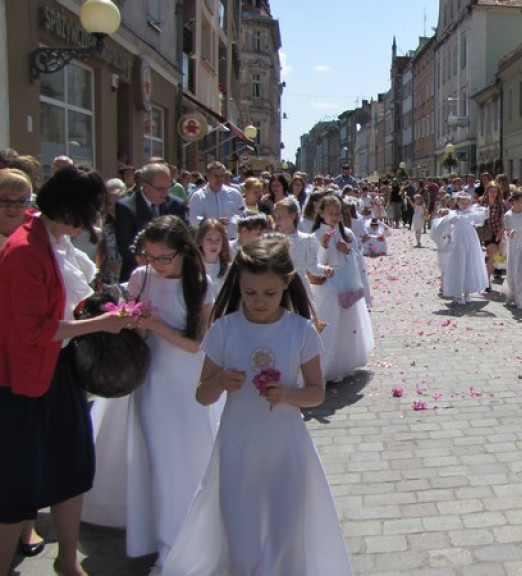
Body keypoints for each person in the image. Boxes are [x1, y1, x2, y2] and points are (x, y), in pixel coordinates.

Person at [161, 235, 352, 575]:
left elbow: (316, 392)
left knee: (285, 531)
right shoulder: (224, 330)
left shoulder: (301, 331)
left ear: (286, 284)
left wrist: (288, 394)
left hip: (285, 447)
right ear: (238, 285)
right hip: (238, 447)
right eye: (250, 293)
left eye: (269, 293)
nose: (259, 301)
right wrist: (219, 383)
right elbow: (202, 394)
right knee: (240, 531)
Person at [0, 166, 128, 576]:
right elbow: (35, 331)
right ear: (71, 210)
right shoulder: (24, 251)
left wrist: (111, 311)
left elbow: (73, 303)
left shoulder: (52, 241)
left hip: (57, 373)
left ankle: (67, 561)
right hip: (23, 381)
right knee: (18, 485)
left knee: (72, 468)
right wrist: (103, 323)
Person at [87, 216, 218, 570]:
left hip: (187, 384)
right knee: (157, 461)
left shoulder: (201, 284)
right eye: (149, 256)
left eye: (164, 258)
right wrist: (128, 321)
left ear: (184, 252)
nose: (156, 265)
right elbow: (135, 334)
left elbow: (196, 345)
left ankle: (190, 534)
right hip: (150, 382)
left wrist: (153, 324)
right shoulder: (139, 277)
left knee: (187, 460)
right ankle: (161, 536)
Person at [311, 196, 373, 381]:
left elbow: (358, 258)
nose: (334, 216)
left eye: (337, 213)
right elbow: (315, 263)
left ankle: (344, 364)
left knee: (347, 325)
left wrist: (347, 251)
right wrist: (323, 246)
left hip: (347, 284)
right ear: (321, 213)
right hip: (328, 287)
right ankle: (326, 367)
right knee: (330, 324)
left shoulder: (347, 233)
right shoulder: (315, 235)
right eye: (330, 213)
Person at [114, 162, 188, 281]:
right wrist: (154, 265)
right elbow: (126, 247)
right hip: (139, 275)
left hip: (171, 275)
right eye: (160, 189)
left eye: (168, 187)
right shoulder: (126, 208)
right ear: (145, 187)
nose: (166, 193)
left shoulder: (176, 205)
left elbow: (185, 239)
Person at [439, 192, 489, 305]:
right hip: (457, 239)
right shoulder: (453, 212)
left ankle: (467, 292)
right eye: (462, 202)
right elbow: (447, 218)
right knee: (458, 264)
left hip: (470, 239)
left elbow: (482, 215)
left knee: (469, 264)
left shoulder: (473, 212)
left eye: (467, 202)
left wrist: (485, 211)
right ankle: (458, 293)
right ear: (457, 202)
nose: (465, 204)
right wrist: (444, 213)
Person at [189, 161, 245, 240]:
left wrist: (233, 221)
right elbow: (193, 219)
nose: (219, 179)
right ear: (208, 176)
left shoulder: (234, 194)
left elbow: (242, 214)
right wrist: (214, 223)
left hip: (230, 239)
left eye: (222, 176)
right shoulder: (198, 196)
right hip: (207, 241)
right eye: (216, 176)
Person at [196, 218, 232, 300]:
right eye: (209, 239)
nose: (214, 244)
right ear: (201, 240)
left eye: (218, 240)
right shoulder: (193, 266)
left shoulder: (229, 268)